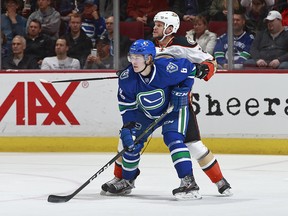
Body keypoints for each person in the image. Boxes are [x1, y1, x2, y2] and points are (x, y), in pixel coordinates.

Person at [102, 11, 232, 197]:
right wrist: (129, 71)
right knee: (128, 139)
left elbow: (209, 63)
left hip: (176, 104)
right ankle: (121, 178)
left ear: (170, 28)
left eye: (159, 25)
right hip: (151, 102)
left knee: (192, 144)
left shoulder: (183, 44)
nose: (154, 27)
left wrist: (203, 70)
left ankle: (219, 180)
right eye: (155, 24)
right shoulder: (150, 44)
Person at [107, 39, 203, 200]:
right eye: (132, 56)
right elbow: (127, 108)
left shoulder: (168, 69)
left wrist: (183, 89)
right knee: (132, 143)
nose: (134, 61)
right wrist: (128, 128)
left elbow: (191, 70)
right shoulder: (127, 78)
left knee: (174, 140)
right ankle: (127, 180)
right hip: (145, 114)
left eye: (138, 57)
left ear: (150, 58)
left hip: (172, 111)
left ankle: (189, 182)